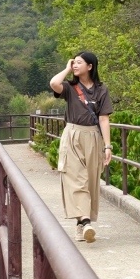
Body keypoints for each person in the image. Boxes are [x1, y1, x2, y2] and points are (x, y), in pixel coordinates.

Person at [49, 52, 113, 243]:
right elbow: (54, 83)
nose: (75, 65)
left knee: (91, 181)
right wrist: (67, 69)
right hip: (73, 135)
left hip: (93, 136)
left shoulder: (101, 90)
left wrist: (107, 146)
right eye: (73, 63)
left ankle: (81, 225)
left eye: (79, 63)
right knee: (74, 178)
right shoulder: (70, 87)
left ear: (90, 66)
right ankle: (86, 222)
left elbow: (104, 119)